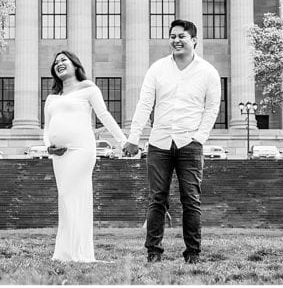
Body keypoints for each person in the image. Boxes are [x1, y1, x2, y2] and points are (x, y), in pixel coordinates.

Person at [123, 19, 221, 264]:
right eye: (173, 36)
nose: (176, 40)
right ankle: (153, 251)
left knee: (191, 199)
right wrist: (134, 138)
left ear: (194, 40)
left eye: (182, 36)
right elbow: (145, 103)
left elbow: (212, 109)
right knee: (157, 198)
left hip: (190, 144)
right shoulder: (157, 69)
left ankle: (193, 253)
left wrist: (199, 138)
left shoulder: (208, 72)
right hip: (159, 143)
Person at [43, 50, 126, 262]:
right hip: (58, 155)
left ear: (74, 64)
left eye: (64, 60)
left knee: (74, 196)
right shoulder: (52, 98)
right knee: (65, 198)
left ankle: (78, 253)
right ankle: (65, 252)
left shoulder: (88, 88)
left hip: (81, 150)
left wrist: (123, 141)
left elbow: (104, 116)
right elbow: (46, 128)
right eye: (56, 62)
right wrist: (48, 147)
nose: (59, 63)